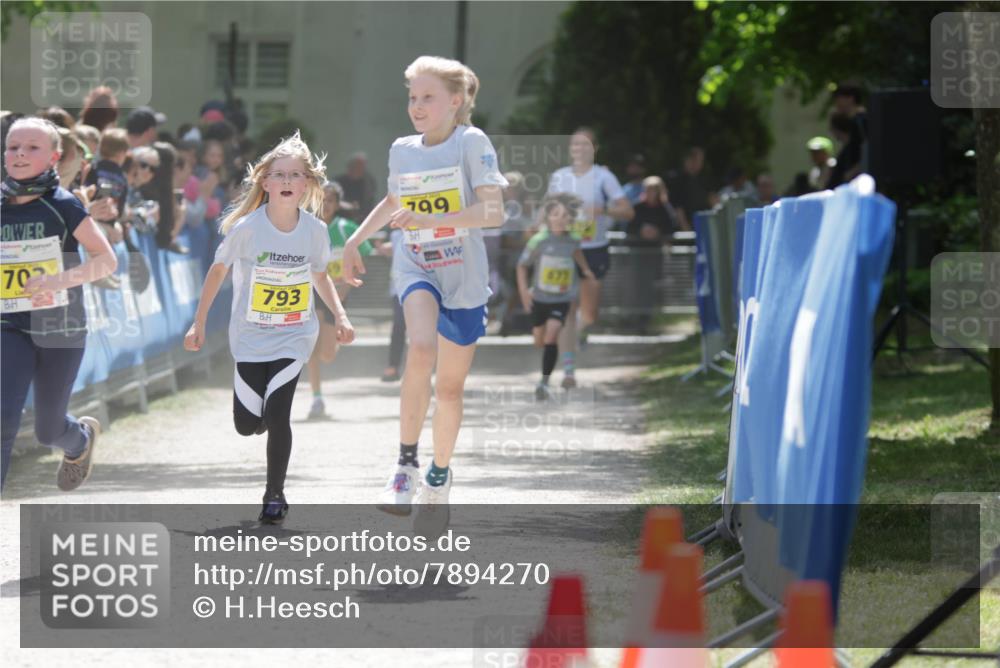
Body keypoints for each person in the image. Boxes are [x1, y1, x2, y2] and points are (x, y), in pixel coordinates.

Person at [341, 55, 507, 530]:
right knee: (418, 346)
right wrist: (357, 239)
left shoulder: (471, 142)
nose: (417, 106)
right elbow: (396, 200)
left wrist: (435, 220)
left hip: (464, 275)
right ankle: (406, 465)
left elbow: (492, 212)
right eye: (412, 97)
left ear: (456, 101)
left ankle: (438, 477)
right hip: (416, 262)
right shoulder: (402, 149)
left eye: (428, 97)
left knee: (450, 388)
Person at [184, 132, 355, 524]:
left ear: (308, 184)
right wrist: (199, 322)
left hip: (295, 335)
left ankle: (274, 493)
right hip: (250, 337)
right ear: (265, 182)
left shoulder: (314, 230)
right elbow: (218, 271)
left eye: (296, 175)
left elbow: (319, 276)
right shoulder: (247, 227)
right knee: (248, 425)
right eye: (280, 175)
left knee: (279, 414)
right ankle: (257, 419)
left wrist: (341, 317)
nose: (288, 182)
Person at [1, 117, 119, 489]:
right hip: (9, 324)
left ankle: (79, 439)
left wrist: (58, 280)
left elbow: (106, 260)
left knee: (48, 429)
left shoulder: (63, 205)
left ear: (54, 157)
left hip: (60, 326)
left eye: (31, 148)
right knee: (3, 419)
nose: (19, 154)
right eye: (12, 147)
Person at [547, 127, 633, 387]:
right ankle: (569, 371)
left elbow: (628, 212)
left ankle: (580, 333)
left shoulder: (603, 176)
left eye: (585, 145)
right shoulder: (559, 177)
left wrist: (603, 209)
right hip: (566, 249)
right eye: (575, 145)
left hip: (594, 249)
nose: (580, 149)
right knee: (567, 309)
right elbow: (548, 210)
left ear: (594, 149)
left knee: (590, 313)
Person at [517, 193, 594, 400]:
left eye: (565, 216)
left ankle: (544, 382)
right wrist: (525, 293)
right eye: (556, 215)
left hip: (562, 297)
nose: (560, 219)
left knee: (552, 334)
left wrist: (586, 271)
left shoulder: (573, 240)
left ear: (570, 219)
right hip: (540, 298)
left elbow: (578, 253)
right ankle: (544, 346)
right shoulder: (539, 240)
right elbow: (522, 266)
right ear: (548, 217)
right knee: (540, 340)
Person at [306, 180, 372, 419]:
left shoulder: (346, 228)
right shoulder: (306, 227)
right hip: (310, 293)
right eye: (321, 200)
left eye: (330, 200)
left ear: (337, 203)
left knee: (327, 354)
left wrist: (346, 286)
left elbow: (363, 255)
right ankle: (316, 398)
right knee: (310, 350)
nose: (325, 205)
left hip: (336, 296)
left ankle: (331, 342)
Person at [626, 176, 679, 333]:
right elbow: (628, 228)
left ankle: (648, 319)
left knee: (651, 287)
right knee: (638, 286)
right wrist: (642, 231)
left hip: (655, 255)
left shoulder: (665, 208)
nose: (650, 193)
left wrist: (658, 233)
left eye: (654, 190)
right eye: (648, 189)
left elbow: (671, 229)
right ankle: (636, 320)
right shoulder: (637, 207)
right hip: (637, 254)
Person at [666, 146, 709, 231]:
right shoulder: (676, 178)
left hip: (700, 226)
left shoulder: (700, 179)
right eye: (698, 160)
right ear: (689, 160)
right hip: (684, 229)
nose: (700, 163)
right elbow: (677, 206)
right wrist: (686, 228)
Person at [335, 152, 377, 221]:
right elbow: (333, 200)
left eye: (362, 166)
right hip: (340, 218)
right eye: (356, 166)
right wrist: (349, 205)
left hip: (360, 220)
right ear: (350, 166)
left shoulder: (368, 183)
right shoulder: (338, 181)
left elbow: (370, 201)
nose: (359, 169)